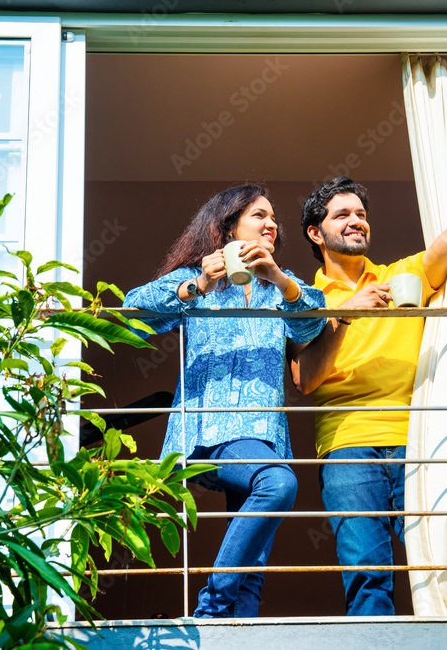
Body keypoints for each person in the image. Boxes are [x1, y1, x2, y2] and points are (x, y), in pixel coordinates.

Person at [290, 127, 447, 616]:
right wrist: (345, 315)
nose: (356, 221)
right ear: (317, 234)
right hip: (347, 447)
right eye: (342, 215)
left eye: (361, 213)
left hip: (421, 439)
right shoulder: (305, 300)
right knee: (367, 573)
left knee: (441, 564)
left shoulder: (401, 277)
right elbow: (304, 381)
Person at [124, 184, 325, 618]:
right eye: (259, 215)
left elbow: (313, 325)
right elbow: (134, 317)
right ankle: (212, 609)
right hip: (209, 430)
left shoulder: (280, 288)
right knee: (278, 484)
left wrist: (280, 279)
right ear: (228, 225)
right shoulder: (198, 278)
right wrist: (197, 285)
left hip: (264, 436)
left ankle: (241, 630)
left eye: (274, 218)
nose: (272, 223)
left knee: (253, 551)